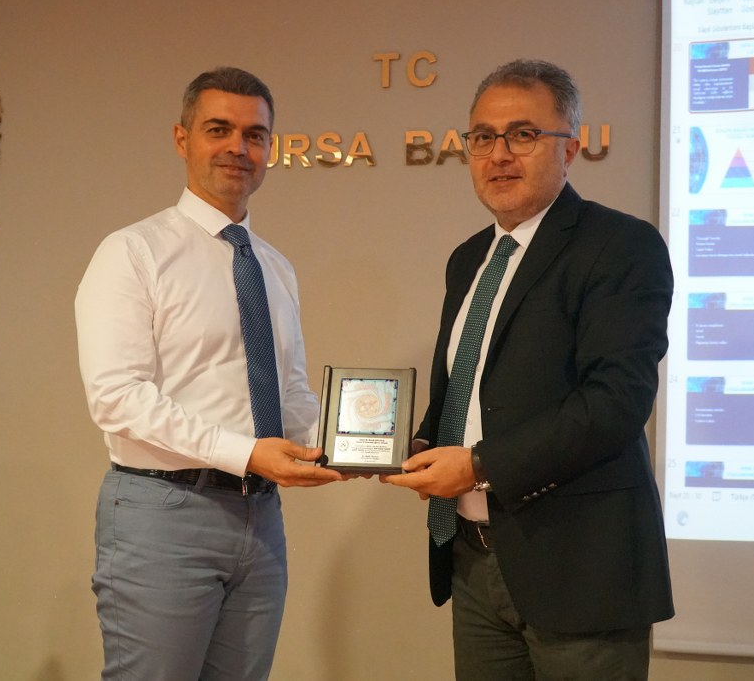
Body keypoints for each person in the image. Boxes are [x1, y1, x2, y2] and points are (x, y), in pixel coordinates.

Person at [385, 59, 675, 680]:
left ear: (569, 147)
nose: (499, 155)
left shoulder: (620, 246)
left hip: (580, 567)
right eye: (483, 137)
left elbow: (616, 402)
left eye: (522, 135)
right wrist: (418, 444)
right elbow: (469, 387)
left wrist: (478, 464)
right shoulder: (469, 258)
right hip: (473, 561)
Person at [75, 66, 342, 680]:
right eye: (218, 129)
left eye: (255, 135)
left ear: (270, 148)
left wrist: (363, 445)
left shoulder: (274, 266)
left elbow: (290, 393)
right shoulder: (133, 252)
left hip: (261, 519)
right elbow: (117, 397)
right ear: (182, 138)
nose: (238, 148)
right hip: (163, 513)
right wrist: (246, 453)